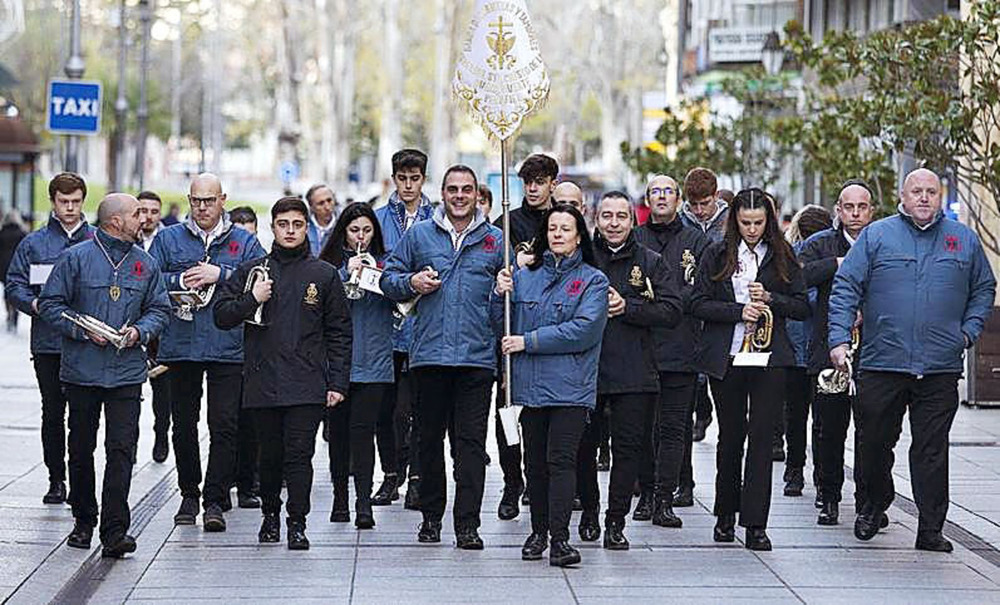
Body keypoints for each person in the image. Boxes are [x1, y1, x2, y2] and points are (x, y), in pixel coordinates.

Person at [829, 168, 996, 552]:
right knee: (872, 443)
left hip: (938, 366)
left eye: (931, 192)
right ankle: (872, 506)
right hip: (882, 362)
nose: (924, 198)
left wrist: (968, 331)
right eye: (916, 191)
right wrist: (838, 339)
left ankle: (931, 528)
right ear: (902, 197)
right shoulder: (877, 236)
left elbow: (984, 287)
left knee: (931, 449)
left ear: (941, 196)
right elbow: (846, 287)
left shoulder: (963, 240)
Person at [214, 196, 352, 550]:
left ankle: (297, 522)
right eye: (283, 224)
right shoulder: (254, 270)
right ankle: (270, 516)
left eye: (297, 224)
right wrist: (252, 299)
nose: (290, 231)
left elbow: (339, 332)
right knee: (269, 456)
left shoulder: (323, 274)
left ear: (306, 228)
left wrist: (337, 382)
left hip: (307, 382)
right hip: (263, 379)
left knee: (299, 454)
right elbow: (222, 315)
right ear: (272, 227)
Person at [38, 193, 170, 558]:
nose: (142, 218)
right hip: (82, 372)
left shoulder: (146, 263)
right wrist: (84, 331)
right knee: (80, 448)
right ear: (116, 221)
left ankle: (115, 530)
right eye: (135, 213)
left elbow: (160, 308)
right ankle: (83, 519)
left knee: (122, 450)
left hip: (126, 374)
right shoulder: (75, 258)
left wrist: (140, 332)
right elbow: (51, 305)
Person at [381, 164, 505, 548]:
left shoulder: (496, 240)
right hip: (429, 356)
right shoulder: (420, 235)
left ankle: (467, 524)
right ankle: (431, 517)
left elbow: (512, 302)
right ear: (443, 192)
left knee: (470, 446)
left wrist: (504, 291)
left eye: (467, 189)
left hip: (476, 358)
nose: (460, 196)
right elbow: (388, 278)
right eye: (453, 189)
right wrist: (411, 282)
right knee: (428, 441)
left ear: (476, 194)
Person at [691, 188, 810, 551]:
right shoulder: (715, 253)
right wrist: (737, 311)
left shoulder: (782, 254)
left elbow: (803, 306)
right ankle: (725, 515)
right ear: (734, 221)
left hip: (769, 359)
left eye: (759, 223)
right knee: (730, 436)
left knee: (762, 439)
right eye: (745, 223)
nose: (753, 229)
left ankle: (756, 523)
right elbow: (696, 303)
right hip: (726, 357)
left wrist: (771, 298)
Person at [149, 173, 266, 532]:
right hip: (180, 344)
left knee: (224, 424)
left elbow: (261, 279)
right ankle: (189, 491)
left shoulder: (244, 241)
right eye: (196, 201)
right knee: (182, 423)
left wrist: (222, 273)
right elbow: (150, 280)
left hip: (226, 345)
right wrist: (178, 281)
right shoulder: (168, 238)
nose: (202, 207)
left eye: (210, 200)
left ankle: (215, 498)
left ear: (223, 200)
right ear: (188, 199)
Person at [494, 204, 608, 567]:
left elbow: (584, 330)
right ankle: (537, 531)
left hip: (571, 388)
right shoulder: (524, 276)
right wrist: (500, 294)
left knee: (562, 461)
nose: (558, 234)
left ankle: (560, 538)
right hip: (530, 387)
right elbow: (500, 325)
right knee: (535, 464)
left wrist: (530, 342)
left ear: (579, 235)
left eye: (566, 228)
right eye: (552, 228)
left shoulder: (593, 280)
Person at [576, 191, 682, 550]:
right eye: (607, 216)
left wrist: (629, 308)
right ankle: (589, 511)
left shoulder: (650, 261)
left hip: (635, 371)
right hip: (585, 372)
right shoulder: (581, 258)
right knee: (582, 449)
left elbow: (671, 310)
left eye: (621, 216)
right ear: (595, 218)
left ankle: (615, 520)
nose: (614, 223)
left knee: (628, 451)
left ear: (632, 219)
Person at [5, 173, 94, 504]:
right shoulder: (34, 244)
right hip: (48, 343)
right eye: (63, 202)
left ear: (83, 202)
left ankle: (81, 478)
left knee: (83, 415)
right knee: (53, 412)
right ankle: (56, 479)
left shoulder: (97, 241)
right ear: (53, 202)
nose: (70, 209)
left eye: (75, 202)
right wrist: (33, 303)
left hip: (86, 342)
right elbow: (14, 284)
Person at [634, 174, 709, 528]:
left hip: (681, 347)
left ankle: (667, 496)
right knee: (643, 427)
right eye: (655, 192)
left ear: (678, 199)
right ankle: (646, 492)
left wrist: (666, 304)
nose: (661, 197)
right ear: (647, 199)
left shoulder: (697, 240)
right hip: (640, 348)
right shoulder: (634, 239)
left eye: (668, 191)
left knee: (674, 426)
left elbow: (701, 288)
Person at [800, 180, 875, 526]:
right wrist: (838, 262)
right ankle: (828, 495)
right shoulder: (819, 244)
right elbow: (797, 278)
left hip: (873, 353)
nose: (856, 214)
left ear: (871, 211)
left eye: (862, 207)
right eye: (849, 207)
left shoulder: (882, 242)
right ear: (838, 211)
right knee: (829, 428)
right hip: (827, 351)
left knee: (872, 429)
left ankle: (868, 501)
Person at [489, 153, 559, 520]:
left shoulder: (562, 221)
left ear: (552, 182)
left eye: (540, 181)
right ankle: (511, 480)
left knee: (545, 412)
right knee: (507, 410)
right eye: (527, 182)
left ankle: (540, 479)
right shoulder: (507, 222)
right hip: (513, 327)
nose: (533, 188)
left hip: (549, 328)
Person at [319, 202, 395, 528]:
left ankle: (364, 504)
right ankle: (340, 499)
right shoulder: (328, 267)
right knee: (338, 435)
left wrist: (374, 273)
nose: (360, 236)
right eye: (354, 231)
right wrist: (345, 272)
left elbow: (399, 294)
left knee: (364, 433)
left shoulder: (387, 264)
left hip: (374, 361)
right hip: (337, 363)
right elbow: (318, 300)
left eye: (366, 230)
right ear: (343, 234)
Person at [372, 149, 433, 509]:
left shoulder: (437, 218)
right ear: (394, 179)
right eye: (402, 178)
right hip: (386, 327)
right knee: (387, 408)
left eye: (415, 178)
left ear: (423, 179)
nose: (408, 185)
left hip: (424, 329)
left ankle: (416, 476)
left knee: (420, 409)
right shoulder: (378, 220)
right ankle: (391, 474)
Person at [781, 205, 832, 499]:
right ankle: (820, 476)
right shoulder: (828, 261)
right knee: (823, 418)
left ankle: (794, 471)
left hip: (794, 350)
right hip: (820, 349)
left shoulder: (790, 259)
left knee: (795, 415)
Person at [680, 168, 726, 459]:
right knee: (693, 374)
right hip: (690, 306)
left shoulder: (730, 222)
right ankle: (701, 410)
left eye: (705, 204)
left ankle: (707, 409)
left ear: (716, 196)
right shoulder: (682, 221)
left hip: (720, 305)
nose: (699, 211)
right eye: (694, 204)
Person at [135, 190, 174, 464]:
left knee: (163, 390)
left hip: (162, 325)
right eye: (143, 210)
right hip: (132, 323)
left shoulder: (169, 239)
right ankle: (130, 442)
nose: (147, 216)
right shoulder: (126, 238)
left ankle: (161, 435)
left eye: (153, 211)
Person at [0, 210, 28, 332]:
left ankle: (9, 312)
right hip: (17, 264)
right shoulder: (22, 233)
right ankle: (15, 312)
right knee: (16, 289)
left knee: (6, 290)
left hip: (3, 265)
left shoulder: (1, 233)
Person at [305, 185, 337, 256]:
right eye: (321, 203)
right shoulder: (304, 228)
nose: (327, 207)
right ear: (311, 207)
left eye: (329, 200)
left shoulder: (343, 225)